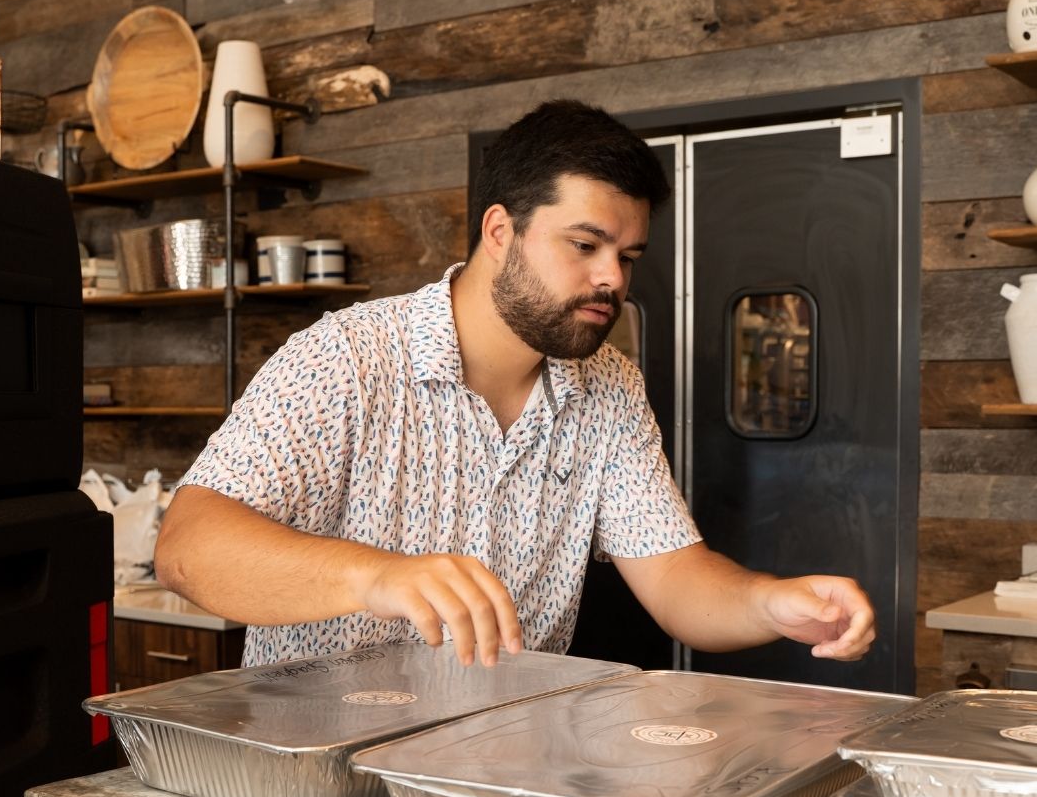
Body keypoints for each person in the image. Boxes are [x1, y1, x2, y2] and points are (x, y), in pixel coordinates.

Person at [154, 99, 875, 670]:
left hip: (493, 765)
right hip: (321, 772)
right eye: (585, 245)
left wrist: (770, 604)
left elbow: (678, 580)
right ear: (500, 231)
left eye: (628, 256)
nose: (612, 279)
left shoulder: (609, 389)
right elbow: (189, 550)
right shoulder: (348, 358)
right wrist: (375, 578)